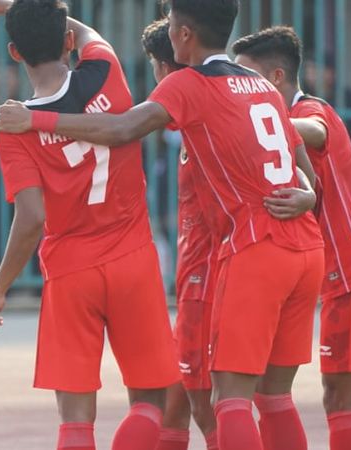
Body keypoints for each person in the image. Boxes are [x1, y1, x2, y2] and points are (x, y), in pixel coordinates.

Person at [0, 1, 325, 449]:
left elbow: (114, 138)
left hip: (89, 264)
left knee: (216, 402)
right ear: (68, 40)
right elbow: (304, 162)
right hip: (155, 258)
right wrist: (309, 195)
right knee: (190, 400)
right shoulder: (114, 71)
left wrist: (34, 120)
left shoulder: (183, 84)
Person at [0, 1, 181, 449]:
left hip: (71, 270)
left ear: (15, 52)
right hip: (133, 257)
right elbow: (84, 29)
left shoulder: (14, 127)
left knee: (75, 419)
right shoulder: (105, 69)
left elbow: (31, 218)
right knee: (148, 403)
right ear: (68, 41)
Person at [233, 26, 351, 450]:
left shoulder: (313, 111)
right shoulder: (281, 130)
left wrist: (253, 124)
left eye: (248, 78)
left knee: (343, 401)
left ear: (276, 78)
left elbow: (313, 129)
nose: (241, 89)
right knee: (346, 400)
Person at [141, 18, 217, 450]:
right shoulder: (200, 101)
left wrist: (43, 121)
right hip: (198, 266)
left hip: (206, 273)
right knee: (176, 397)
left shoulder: (186, 96)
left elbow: (123, 127)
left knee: (205, 402)